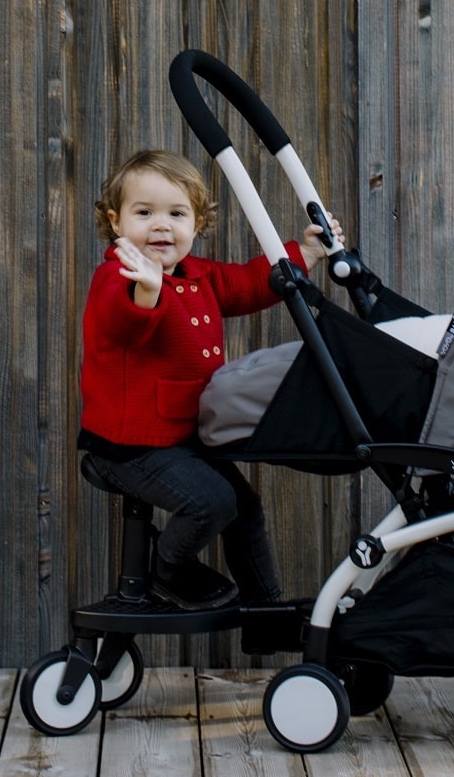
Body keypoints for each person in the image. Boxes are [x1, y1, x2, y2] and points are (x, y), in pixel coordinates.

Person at [78, 149, 343, 609]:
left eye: (176, 214)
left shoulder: (200, 276)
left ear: (197, 225)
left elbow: (249, 283)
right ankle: (167, 569)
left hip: (184, 438)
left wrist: (306, 253)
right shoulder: (117, 276)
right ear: (116, 222)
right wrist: (146, 290)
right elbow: (119, 323)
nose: (161, 225)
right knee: (212, 502)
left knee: (244, 507)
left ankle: (266, 610)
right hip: (128, 446)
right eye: (144, 213)